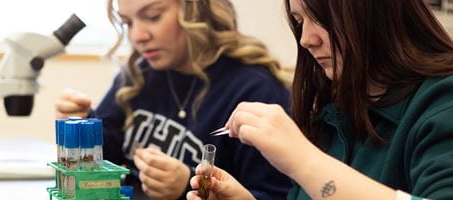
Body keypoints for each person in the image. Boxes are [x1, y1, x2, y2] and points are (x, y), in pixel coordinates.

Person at [186, 0, 453, 199]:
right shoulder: (333, 114)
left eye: (322, 18)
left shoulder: (442, 105)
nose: (305, 40)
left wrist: (304, 160)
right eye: (300, 21)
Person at [55, 0, 294, 199]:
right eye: (127, 22)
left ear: (197, 9)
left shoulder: (257, 90)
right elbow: (108, 158)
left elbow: (273, 195)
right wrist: (82, 124)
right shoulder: (139, 73)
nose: (138, 36)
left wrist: (187, 184)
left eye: (152, 16)